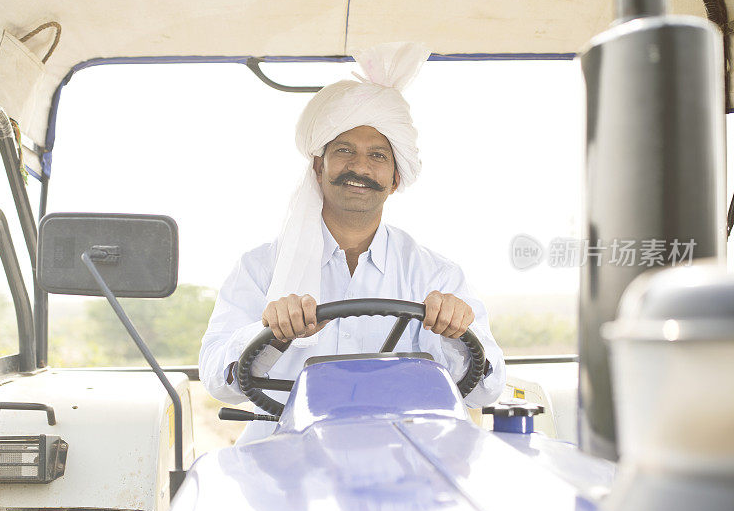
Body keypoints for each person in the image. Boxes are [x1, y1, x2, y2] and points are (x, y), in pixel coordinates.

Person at [200, 42, 505, 444]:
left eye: (377, 155)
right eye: (344, 150)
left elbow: (487, 388)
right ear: (318, 166)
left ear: (395, 178)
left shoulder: (436, 273)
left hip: (404, 456)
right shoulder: (259, 268)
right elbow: (216, 380)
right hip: (286, 454)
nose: (360, 167)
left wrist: (456, 332)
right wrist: (272, 333)